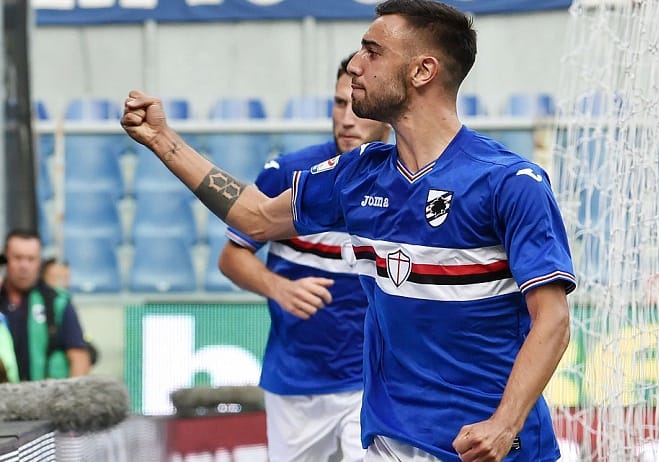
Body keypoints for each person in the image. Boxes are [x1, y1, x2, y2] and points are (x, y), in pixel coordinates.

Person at [121, 0, 576, 460]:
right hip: (390, 440)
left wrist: (504, 424)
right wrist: (162, 139)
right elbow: (255, 216)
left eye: (372, 52)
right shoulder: (357, 173)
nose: (356, 65)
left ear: (423, 71)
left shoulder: (509, 181)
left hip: (488, 445)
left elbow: (554, 320)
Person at [219, 53, 390, 461]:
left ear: (386, 111)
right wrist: (278, 287)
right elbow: (231, 257)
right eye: (338, 103)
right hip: (296, 381)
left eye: (357, 105)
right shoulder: (290, 174)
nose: (346, 119)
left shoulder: (404, 181)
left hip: (372, 381)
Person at [0, 229, 91, 380]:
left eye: (31, 259)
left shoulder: (57, 302)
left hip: (47, 393)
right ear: (5, 260)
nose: (24, 266)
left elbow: (79, 358)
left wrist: (71, 393)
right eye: (17, 258)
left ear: (39, 262)